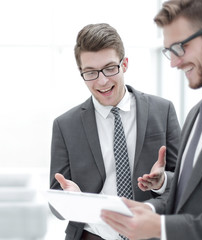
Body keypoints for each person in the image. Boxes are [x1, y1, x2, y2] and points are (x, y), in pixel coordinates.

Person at [100, 0, 202, 239]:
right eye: (169, 51)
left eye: (180, 48)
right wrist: (148, 210)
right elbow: (193, 199)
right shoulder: (196, 112)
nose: (174, 62)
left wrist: (161, 228)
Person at [49, 23, 181, 240]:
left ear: (125, 64)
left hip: (151, 234)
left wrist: (163, 182)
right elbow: (55, 203)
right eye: (91, 72)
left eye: (110, 68)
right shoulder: (65, 125)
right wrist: (72, 202)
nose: (102, 81)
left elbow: (184, 186)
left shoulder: (162, 111)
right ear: (81, 73)